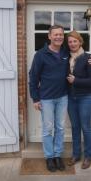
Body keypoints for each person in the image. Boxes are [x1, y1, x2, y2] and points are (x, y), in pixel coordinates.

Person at [29, 25, 68, 172]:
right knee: (47, 129)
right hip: (46, 98)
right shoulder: (41, 54)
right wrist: (35, 98)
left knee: (60, 128)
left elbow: (79, 55)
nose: (59, 37)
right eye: (56, 35)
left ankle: (58, 155)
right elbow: (33, 77)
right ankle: (49, 157)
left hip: (63, 97)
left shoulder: (65, 52)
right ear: (49, 36)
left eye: (61, 35)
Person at [66, 31, 91, 169]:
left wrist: (76, 80)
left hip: (85, 97)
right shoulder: (65, 57)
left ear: (80, 42)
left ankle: (88, 156)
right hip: (71, 97)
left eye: (75, 41)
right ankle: (76, 154)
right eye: (70, 42)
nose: (72, 44)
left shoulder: (88, 58)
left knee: (85, 127)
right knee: (75, 127)